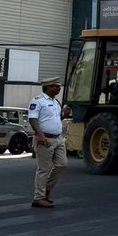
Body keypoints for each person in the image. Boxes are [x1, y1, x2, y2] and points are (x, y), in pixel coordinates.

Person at [29, 76, 70, 208]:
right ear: (47, 87)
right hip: (45, 138)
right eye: (56, 86)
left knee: (62, 164)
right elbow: (32, 119)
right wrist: (40, 135)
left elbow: (56, 118)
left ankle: (46, 189)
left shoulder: (56, 102)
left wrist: (64, 114)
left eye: (59, 86)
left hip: (58, 138)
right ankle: (39, 197)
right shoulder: (38, 101)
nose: (59, 88)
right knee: (44, 169)